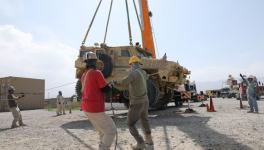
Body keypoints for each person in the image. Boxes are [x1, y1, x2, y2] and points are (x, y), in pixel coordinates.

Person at [114, 55, 153, 150]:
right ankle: (149, 140)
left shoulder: (133, 73)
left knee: (130, 124)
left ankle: (140, 143)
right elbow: (131, 84)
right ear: (139, 64)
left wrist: (114, 82)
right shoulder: (143, 72)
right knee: (144, 120)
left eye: (130, 65)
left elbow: (124, 82)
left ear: (131, 64)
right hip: (145, 100)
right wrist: (116, 86)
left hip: (137, 102)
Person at [81, 51, 116, 150]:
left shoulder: (84, 75)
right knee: (111, 131)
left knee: (102, 131)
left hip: (87, 108)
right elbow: (105, 89)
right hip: (95, 108)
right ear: (95, 61)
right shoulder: (97, 73)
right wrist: (111, 85)